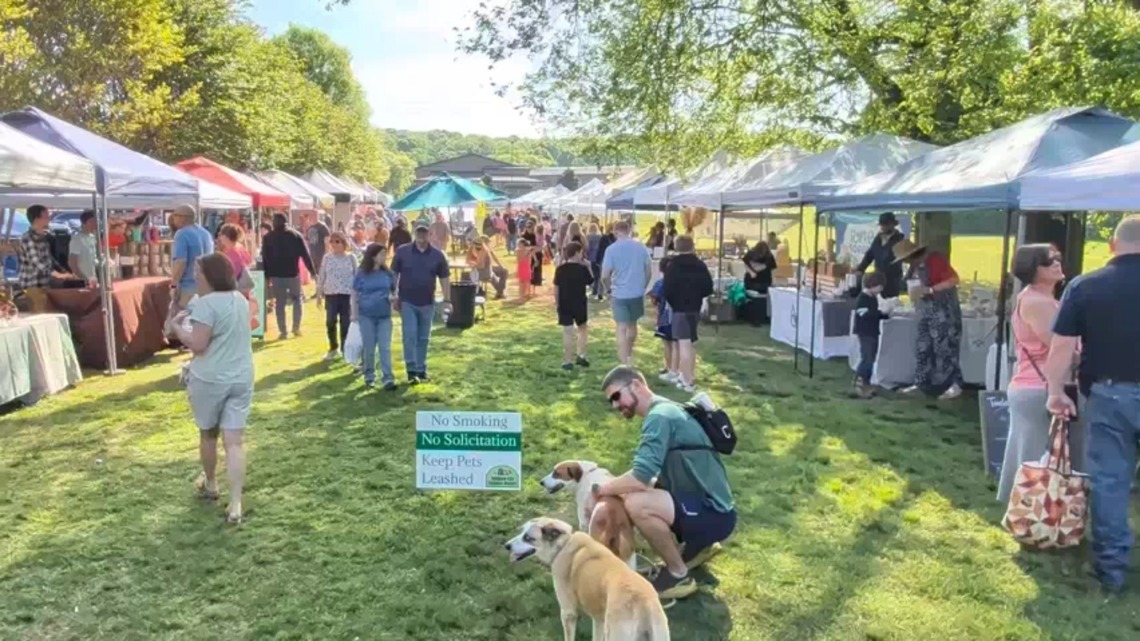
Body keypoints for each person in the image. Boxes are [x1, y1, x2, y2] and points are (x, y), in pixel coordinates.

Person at [1044, 217, 1140, 594]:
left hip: (1109, 393)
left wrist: (1055, 391)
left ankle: (1112, 570)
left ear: (1113, 245)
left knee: (1111, 483)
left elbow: (1062, 348)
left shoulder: (1085, 286)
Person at [595, 366, 736, 599]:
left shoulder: (659, 416)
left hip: (715, 514)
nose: (615, 405)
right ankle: (698, 546)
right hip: (715, 508)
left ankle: (678, 574)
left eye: (616, 396)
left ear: (637, 386)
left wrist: (601, 489)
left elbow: (640, 476)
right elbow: (651, 475)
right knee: (636, 493)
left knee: (637, 504)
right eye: (611, 401)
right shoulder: (669, 409)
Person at [167, 253, 253, 525]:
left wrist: (177, 327)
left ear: (208, 276)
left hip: (209, 378)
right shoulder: (240, 299)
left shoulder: (205, 305)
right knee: (235, 441)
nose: (195, 277)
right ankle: (236, 502)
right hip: (241, 377)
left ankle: (213, 484)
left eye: (198, 273)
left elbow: (198, 343)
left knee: (208, 434)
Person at [995, 244, 1080, 503]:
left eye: (1057, 258)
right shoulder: (1036, 301)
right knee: (1032, 455)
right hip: (1037, 387)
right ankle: (1028, 509)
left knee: (1032, 451)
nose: (1056, 263)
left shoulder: (1046, 299)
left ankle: (1032, 507)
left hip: (1038, 385)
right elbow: (1058, 347)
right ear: (1032, 269)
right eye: (1048, 261)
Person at [894, 238, 963, 400]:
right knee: (923, 347)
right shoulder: (914, 267)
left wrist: (930, 289)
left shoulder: (935, 260)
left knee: (945, 348)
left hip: (944, 312)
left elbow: (953, 280)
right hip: (924, 312)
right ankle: (922, 383)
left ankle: (953, 384)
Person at [391, 224, 450, 385]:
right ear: (414, 233)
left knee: (423, 338)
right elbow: (394, 274)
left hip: (427, 302)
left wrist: (447, 300)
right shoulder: (403, 251)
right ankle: (411, 370)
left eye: (424, 232)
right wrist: (393, 294)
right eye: (418, 232)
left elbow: (444, 278)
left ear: (429, 233)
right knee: (409, 335)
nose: (421, 235)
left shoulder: (438, 255)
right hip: (407, 300)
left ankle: (421, 369)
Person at [663, 236, 713, 392]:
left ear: (676, 247)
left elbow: (667, 289)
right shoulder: (700, 265)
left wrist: (674, 302)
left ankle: (688, 380)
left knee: (684, 345)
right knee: (689, 344)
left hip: (680, 309)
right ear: (692, 246)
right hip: (694, 308)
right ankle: (688, 376)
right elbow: (708, 287)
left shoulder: (673, 266)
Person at [601, 221, 652, 366]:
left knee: (621, 327)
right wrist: (643, 286)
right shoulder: (640, 247)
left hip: (619, 292)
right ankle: (629, 353)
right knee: (633, 324)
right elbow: (648, 270)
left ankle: (624, 362)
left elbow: (605, 275)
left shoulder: (611, 249)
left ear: (616, 231)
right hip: (636, 291)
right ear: (629, 230)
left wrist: (608, 289)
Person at [260, 213, 315, 340]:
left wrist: (267, 275)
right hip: (292, 274)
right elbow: (305, 255)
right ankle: (296, 327)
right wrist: (312, 271)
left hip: (276, 275)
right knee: (297, 301)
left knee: (280, 303)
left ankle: (283, 331)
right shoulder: (295, 235)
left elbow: (265, 258)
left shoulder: (268, 237)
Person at [352, 243, 398, 391]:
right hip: (366, 316)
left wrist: (393, 298)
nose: (385, 257)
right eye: (382, 254)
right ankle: (369, 376)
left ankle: (388, 378)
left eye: (385, 254)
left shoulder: (387, 274)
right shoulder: (362, 273)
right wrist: (354, 313)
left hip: (384, 316)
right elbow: (354, 293)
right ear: (373, 256)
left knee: (385, 348)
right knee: (369, 348)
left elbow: (393, 291)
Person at [168, 205, 215, 337]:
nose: (173, 219)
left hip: (188, 284)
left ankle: (189, 343)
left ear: (183, 218)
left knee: (185, 317)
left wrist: (173, 284)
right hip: (206, 283)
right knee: (201, 317)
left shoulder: (182, 234)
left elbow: (180, 261)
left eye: (175, 215)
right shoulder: (205, 233)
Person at [316, 232, 357, 361]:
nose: (334, 244)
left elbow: (357, 276)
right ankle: (333, 348)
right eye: (332, 242)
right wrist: (318, 293)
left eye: (337, 241)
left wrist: (358, 294)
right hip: (331, 294)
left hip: (346, 295)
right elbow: (322, 275)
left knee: (345, 323)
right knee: (330, 322)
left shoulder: (351, 258)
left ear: (344, 243)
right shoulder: (327, 258)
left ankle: (345, 349)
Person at [17, 204, 67, 312]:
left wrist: (64, 271)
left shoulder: (44, 236)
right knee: (39, 316)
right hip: (32, 286)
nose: (49, 219)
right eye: (46, 216)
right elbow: (37, 263)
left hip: (45, 284)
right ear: (37, 219)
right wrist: (58, 275)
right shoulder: (27, 238)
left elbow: (49, 259)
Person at [553, 241, 594, 371]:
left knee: (567, 332)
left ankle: (567, 360)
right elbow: (591, 282)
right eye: (581, 252)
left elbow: (556, 289)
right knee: (582, 329)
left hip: (564, 303)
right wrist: (589, 267)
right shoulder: (582, 269)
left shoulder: (560, 269)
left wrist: (557, 303)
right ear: (577, 253)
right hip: (579, 303)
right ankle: (581, 355)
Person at [852, 272, 893, 399]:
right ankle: (860, 382)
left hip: (872, 332)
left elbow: (874, 313)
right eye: (880, 287)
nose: (881, 290)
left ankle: (866, 382)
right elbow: (864, 313)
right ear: (873, 285)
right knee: (867, 358)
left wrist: (885, 315)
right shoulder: (863, 298)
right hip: (865, 332)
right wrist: (880, 313)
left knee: (871, 357)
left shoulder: (872, 298)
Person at [856, 212, 905, 298]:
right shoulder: (878, 238)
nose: (883, 227)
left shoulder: (899, 240)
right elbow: (870, 254)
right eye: (882, 225)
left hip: (892, 281)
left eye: (886, 225)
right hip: (877, 280)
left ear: (892, 225)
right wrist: (860, 269)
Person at [650, 256, 679, 383]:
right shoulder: (680, 283)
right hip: (677, 316)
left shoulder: (660, 283)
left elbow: (654, 299)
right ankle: (674, 368)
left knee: (667, 344)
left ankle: (669, 367)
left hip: (664, 317)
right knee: (675, 344)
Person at [741, 240, 777, 325]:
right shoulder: (768, 256)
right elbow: (772, 270)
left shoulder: (752, 254)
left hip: (755, 282)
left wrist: (751, 271)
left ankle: (754, 318)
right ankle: (761, 317)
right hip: (761, 282)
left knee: (755, 297)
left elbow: (745, 264)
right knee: (758, 297)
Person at [67, 209, 99, 285]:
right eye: (94, 221)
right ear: (87, 222)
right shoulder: (77, 239)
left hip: (93, 279)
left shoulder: (92, 237)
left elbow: (93, 259)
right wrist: (84, 279)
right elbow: (72, 263)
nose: (97, 224)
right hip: (82, 281)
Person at [594, 224, 616, 301]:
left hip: (604, 258)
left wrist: (597, 260)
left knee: (603, 276)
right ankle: (607, 292)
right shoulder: (616, 239)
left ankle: (600, 292)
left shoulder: (604, 238)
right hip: (612, 259)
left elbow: (599, 249)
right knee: (611, 276)